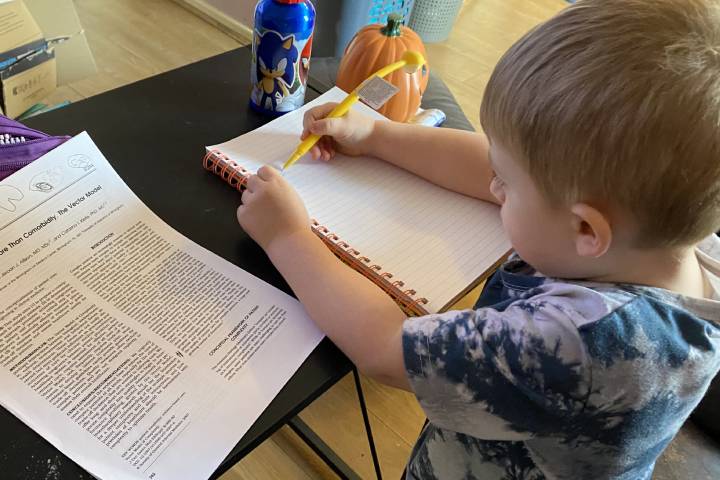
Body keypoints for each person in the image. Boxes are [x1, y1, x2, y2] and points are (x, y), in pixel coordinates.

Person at [235, 0, 720, 478]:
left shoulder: (577, 345)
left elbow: (385, 349)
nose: (492, 185)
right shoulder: (664, 234)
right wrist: (378, 135)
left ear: (586, 230)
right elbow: (485, 163)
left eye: (506, 182)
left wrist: (288, 236)